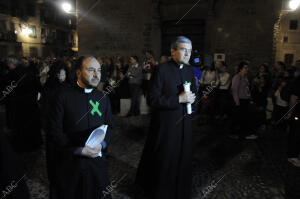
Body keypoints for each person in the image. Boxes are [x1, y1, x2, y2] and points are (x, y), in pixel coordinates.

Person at [136, 36, 196, 199]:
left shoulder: (190, 71)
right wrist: (178, 99)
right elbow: (152, 99)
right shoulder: (162, 69)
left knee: (182, 159)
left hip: (185, 125)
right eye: (184, 50)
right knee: (165, 159)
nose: (187, 54)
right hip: (166, 126)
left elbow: (194, 95)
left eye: (190, 51)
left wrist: (192, 100)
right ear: (173, 51)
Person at [48, 56, 114, 199]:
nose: (97, 75)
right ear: (78, 73)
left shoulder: (103, 97)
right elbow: (55, 133)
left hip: (97, 164)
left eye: (99, 70)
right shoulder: (62, 96)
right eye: (91, 70)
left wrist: (102, 144)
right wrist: (79, 150)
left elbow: (110, 127)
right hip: (71, 164)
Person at [230, 61, 257, 140]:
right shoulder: (237, 77)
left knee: (243, 117)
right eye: (245, 67)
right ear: (241, 68)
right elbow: (234, 89)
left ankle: (241, 133)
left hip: (245, 100)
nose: (247, 69)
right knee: (240, 117)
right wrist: (237, 102)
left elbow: (246, 89)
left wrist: (249, 98)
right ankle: (237, 133)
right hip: (240, 100)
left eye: (247, 67)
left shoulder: (245, 77)